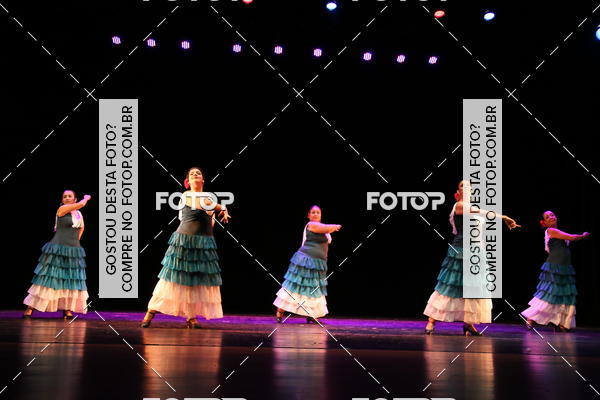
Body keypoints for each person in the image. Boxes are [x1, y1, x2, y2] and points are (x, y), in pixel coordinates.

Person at [423, 180, 519, 335]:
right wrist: (503, 217)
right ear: (457, 194)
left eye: (469, 186)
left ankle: (469, 323)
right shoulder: (459, 205)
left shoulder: (472, 208)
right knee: (451, 284)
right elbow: (480, 212)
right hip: (461, 251)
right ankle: (432, 320)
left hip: (476, 252)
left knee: (474, 288)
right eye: (463, 186)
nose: (467, 188)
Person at [141, 167, 230, 328]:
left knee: (195, 282)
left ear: (203, 180)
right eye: (192, 174)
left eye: (198, 173)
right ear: (187, 182)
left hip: (203, 244)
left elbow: (209, 223)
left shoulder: (209, 199)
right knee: (173, 279)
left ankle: (191, 317)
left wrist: (219, 212)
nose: (195, 174)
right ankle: (151, 311)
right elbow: (202, 204)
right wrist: (222, 207)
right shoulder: (187, 195)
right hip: (184, 242)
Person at [23, 190, 91, 319]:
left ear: (74, 199)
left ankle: (67, 309)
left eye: (69, 196)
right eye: (64, 196)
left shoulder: (78, 214)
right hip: (58, 247)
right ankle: (30, 307)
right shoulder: (62, 209)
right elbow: (81, 204)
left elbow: (82, 227)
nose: (67, 198)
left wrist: (75, 242)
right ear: (62, 200)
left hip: (73, 249)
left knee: (70, 279)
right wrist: (86, 199)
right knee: (49, 277)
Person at [521, 210, 590, 332]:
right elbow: (572, 237)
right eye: (548, 217)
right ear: (545, 222)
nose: (551, 217)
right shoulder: (551, 231)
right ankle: (531, 317)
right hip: (555, 266)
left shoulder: (558, 231)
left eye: (552, 215)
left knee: (563, 294)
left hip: (565, 267)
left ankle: (561, 322)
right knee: (550, 292)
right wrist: (583, 235)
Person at [273, 205, 341, 324]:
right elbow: (325, 228)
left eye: (318, 212)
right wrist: (335, 226)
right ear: (308, 215)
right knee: (296, 285)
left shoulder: (323, 228)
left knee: (313, 288)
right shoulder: (311, 225)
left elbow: (325, 232)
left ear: (321, 215)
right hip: (306, 261)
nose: (316, 214)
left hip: (318, 263)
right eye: (313, 212)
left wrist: (331, 228)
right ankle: (280, 310)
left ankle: (311, 314)